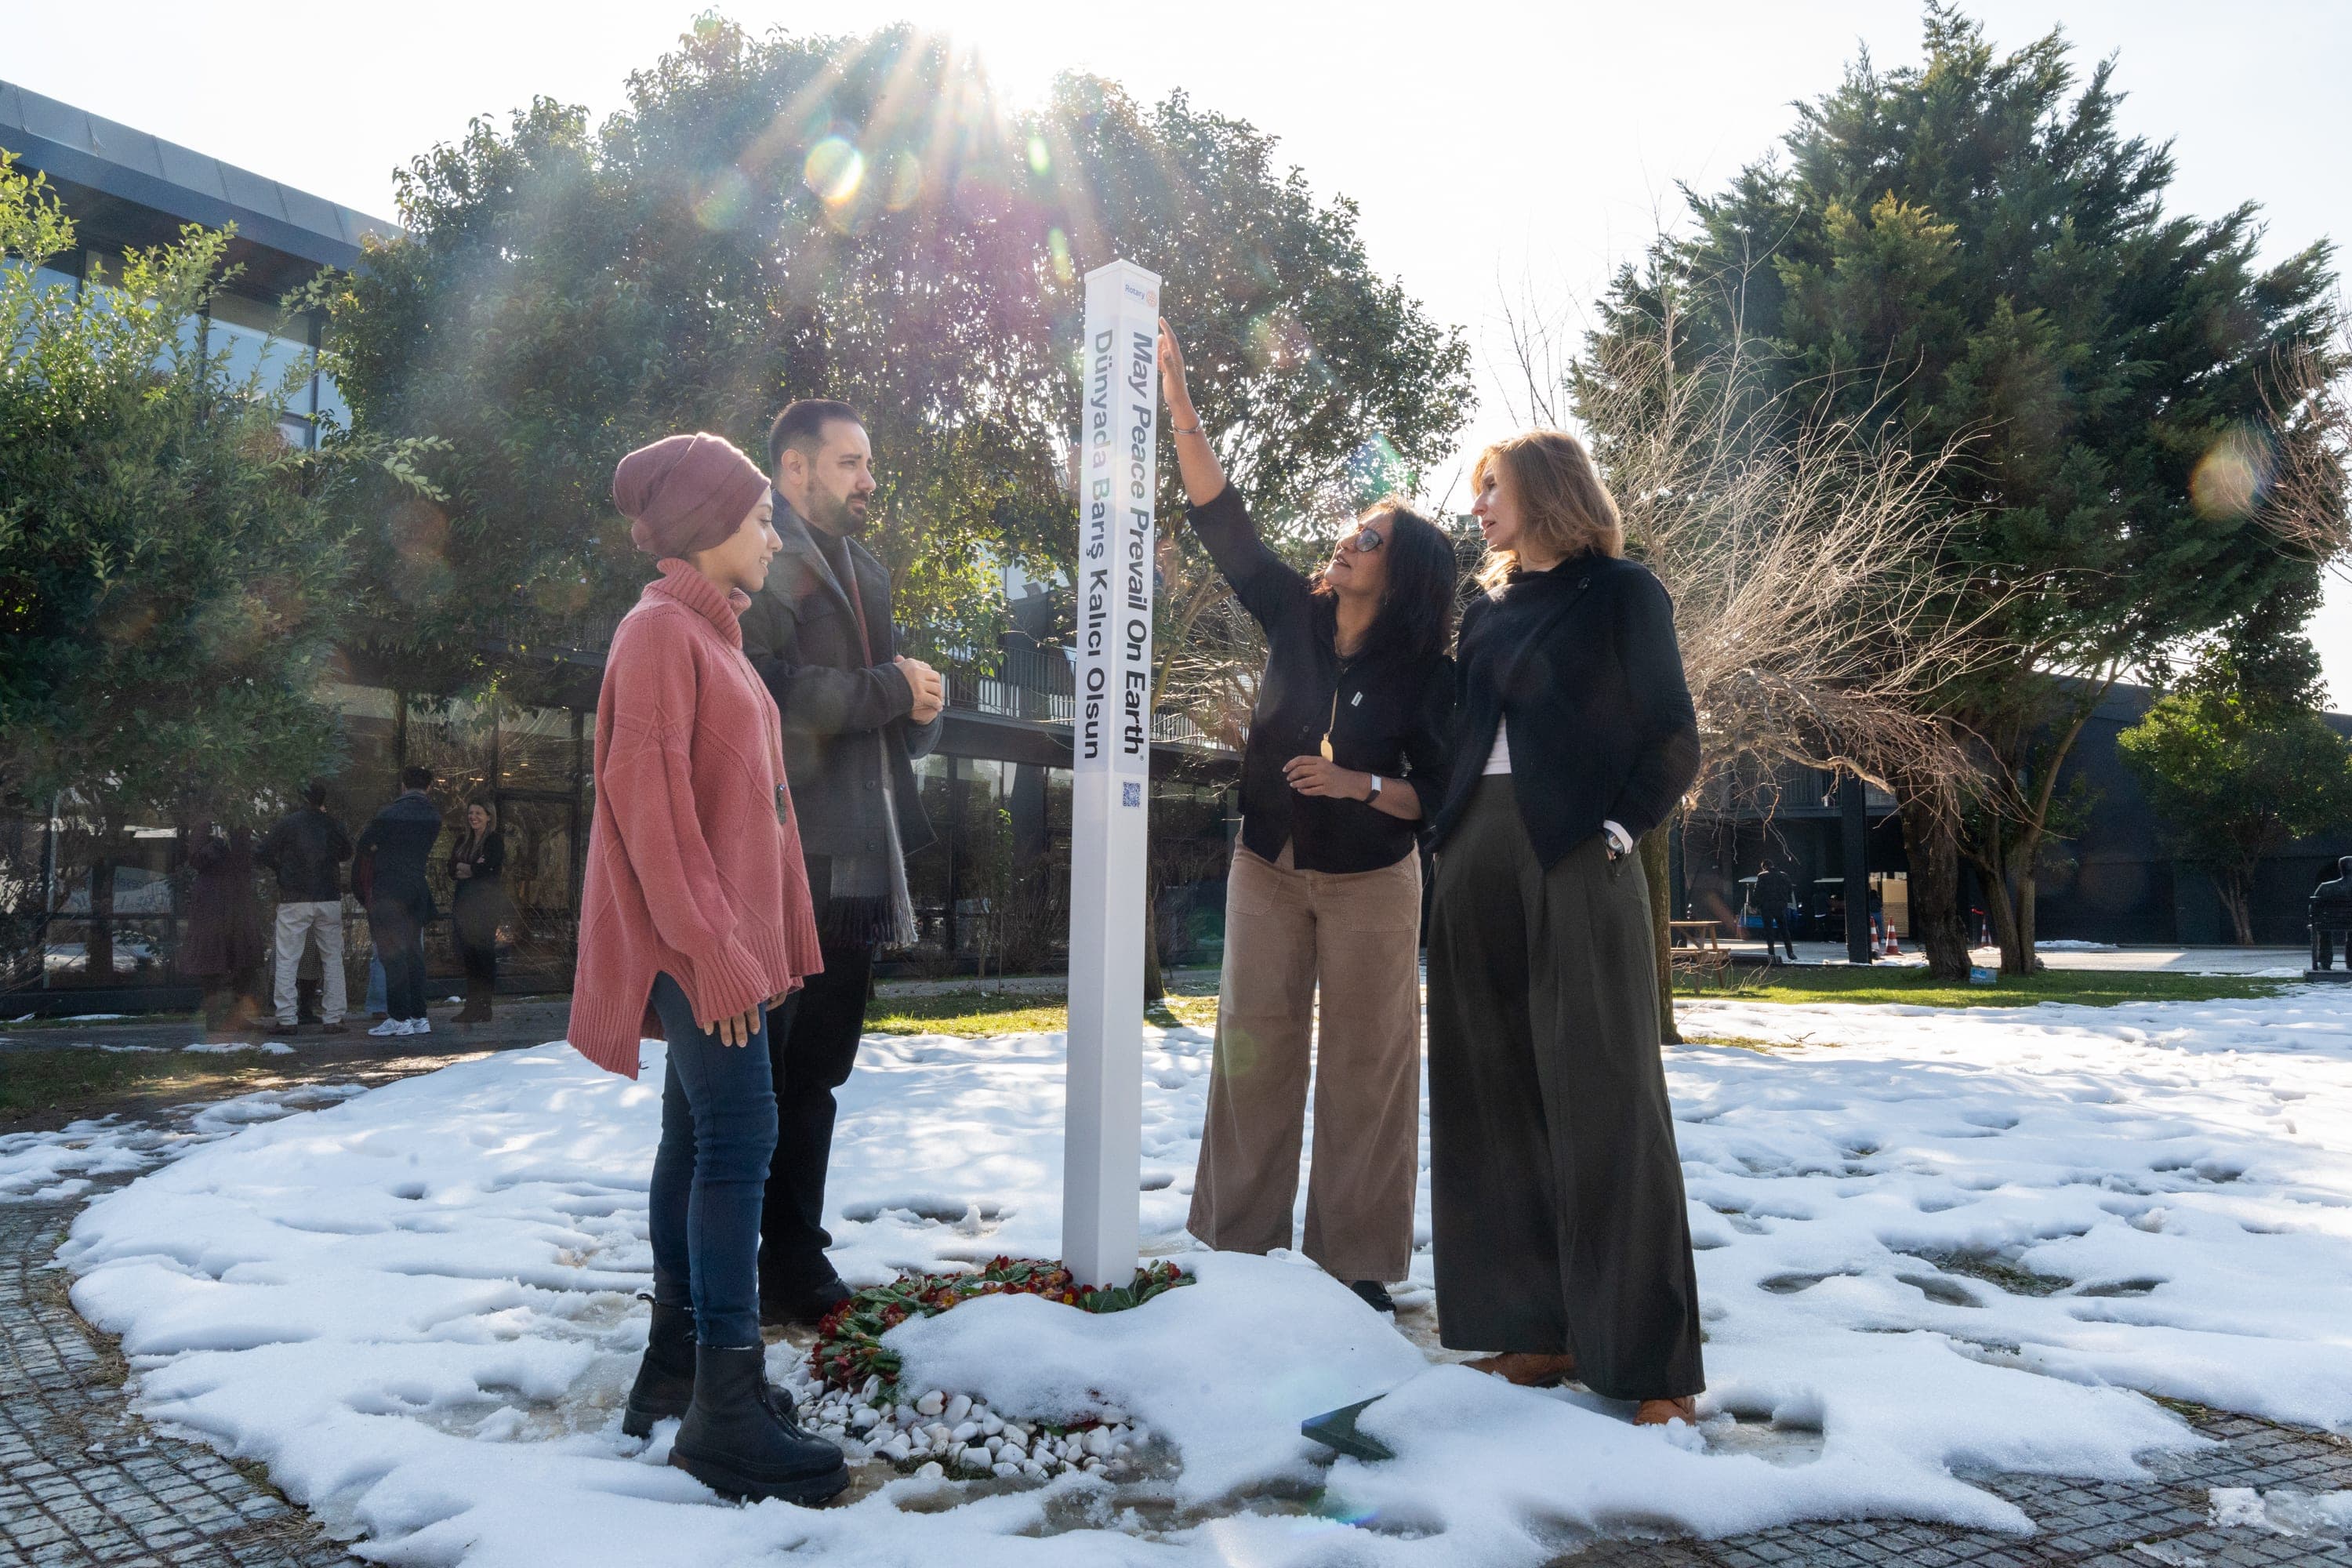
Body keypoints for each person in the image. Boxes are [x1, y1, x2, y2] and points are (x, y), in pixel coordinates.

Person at [1156, 322, 1455, 1313]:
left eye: (1370, 537)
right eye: (1352, 528)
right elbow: (1221, 517)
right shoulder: (1292, 609)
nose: (1348, 540)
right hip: (1266, 864)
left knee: (1369, 1063)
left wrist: (1360, 787)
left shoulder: (1428, 673)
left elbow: (1435, 796)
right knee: (1254, 1042)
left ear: (1401, 569)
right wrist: (1183, 407)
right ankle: (1237, 1246)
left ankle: (1355, 1265)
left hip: (1374, 879)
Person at [570, 430, 841, 1504]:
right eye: (763, 514)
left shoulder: (709, 636)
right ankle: (724, 1413)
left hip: (726, 945)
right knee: (740, 1141)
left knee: (699, 1139)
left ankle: (674, 1374)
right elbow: (652, 815)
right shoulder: (657, 634)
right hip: (702, 949)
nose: (776, 532)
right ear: (709, 523)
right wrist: (718, 951)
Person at [1423, 429, 1706, 1427]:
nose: (1479, 507)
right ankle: (1534, 1331)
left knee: (1608, 1096)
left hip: (1580, 851)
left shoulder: (1627, 591)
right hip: (1474, 854)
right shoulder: (1483, 611)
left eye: (1492, 488)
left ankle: (1649, 1362)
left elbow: (1676, 730)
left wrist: (1621, 830)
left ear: (1545, 489)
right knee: (1488, 1094)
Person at [739, 399, 945, 1326]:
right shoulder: (758, 556)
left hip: (861, 852)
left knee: (818, 1069)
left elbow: (867, 712)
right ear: (795, 469)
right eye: (851, 461)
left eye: (870, 462)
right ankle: (740, 1257)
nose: (869, 479)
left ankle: (793, 1255)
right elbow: (771, 696)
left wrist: (916, 711)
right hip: (781, 850)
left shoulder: (867, 568)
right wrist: (884, 689)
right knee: (764, 1072)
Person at [257, 782, 354, 1033]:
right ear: (323, 800)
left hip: (294, 897)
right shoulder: (332, 824)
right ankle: (333, 1017)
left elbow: (262, 852)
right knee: (332, 958)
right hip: (328, 896)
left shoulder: (288, 824)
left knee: (288, 959)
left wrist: (282, 869)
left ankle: (287, 1018)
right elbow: (346, 851)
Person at [355, 767, 444, 1038]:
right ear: (429, 787)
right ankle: (419, 1016)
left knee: (392, 955)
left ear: (404, 786)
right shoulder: (433, 817)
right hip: (418, 887)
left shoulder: (388, 815)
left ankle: (399, 1017)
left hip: (389, 889)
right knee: (414, 955)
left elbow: (364, 844)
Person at [182, 823, 267, 1038]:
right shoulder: (205, 825)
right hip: (212, 901)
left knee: (244, 956)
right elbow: (197, 859)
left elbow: (250, 858)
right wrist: (219, 842)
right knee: (212, 958)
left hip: (238, 898)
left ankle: (237, 1014)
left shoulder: (243, 825)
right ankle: (215, 1016)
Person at [448, 801, 508, 1024]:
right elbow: (451, 869)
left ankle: (484, 1006)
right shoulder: (463, 840)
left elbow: (488, 867)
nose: (473, 817)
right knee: (469, 955)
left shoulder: (494, 841)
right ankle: (470, 1006)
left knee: (483, 954)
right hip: (464, 903)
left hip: (485, 904)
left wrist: (469, 868)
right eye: (471, 813)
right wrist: (473, 868)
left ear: (489, 816)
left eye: (478, 813)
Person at [1754, 858, 1798, 963]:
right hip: (1780, 906)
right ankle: (1790, 952)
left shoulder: (1762, 876)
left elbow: (1757, 891)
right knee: (1784, 929)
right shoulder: (1784, 875)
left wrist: (1755, 904)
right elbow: (1790, 889)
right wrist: (1784, 900)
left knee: (1769, 931)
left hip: (1767, 906)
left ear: (1764, 867)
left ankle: (1771, 953)